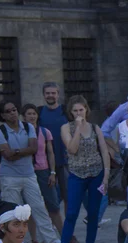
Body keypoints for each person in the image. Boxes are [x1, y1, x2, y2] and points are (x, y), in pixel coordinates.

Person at [0, 100, 61, 243]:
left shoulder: (28, 127)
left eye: (14, 109)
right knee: (13, 212)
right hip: (9, 177)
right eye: (9, 111)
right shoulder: (0, 131)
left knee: (38, 207)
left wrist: (16, 151)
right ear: (3, 115)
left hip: (29, 174)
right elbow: (7, 154)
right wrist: (22, 151)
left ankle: (51, 240)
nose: (13, 113)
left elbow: (33, 148)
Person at [54, 96, 110, 243]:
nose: (79, 113)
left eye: (81, 109)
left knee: (93, 212)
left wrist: (106, 175)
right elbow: (72, 149)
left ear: (86, 110)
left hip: (96, 173)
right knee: (72, 212)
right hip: (77, 174)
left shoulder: (95, 128)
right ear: (71, 113)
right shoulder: (66, 128)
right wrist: (78, 128)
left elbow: (104, 151)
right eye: (75, 110)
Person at [20, 104, 66, 243]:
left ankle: (64, 236)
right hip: (27, 172)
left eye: (34, 113)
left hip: (43, 171)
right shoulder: (21, 132)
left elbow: (50, 153)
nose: (32, 116)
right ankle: (34, 239)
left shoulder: (45, 132)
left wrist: (52, 172)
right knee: (30, 208)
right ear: (24, 117)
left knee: (53, 205)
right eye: (29, 114)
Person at [37, 82, 71, 222]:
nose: (50, 95)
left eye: (53, 93)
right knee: (48, 199)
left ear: (58, 94)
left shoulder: (66, 111)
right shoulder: (39, 112)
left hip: (65, 161)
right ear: (44, 95)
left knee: (69, 198)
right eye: (48, 93)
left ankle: (69, 231)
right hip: (45, 162)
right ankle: (54, 229)